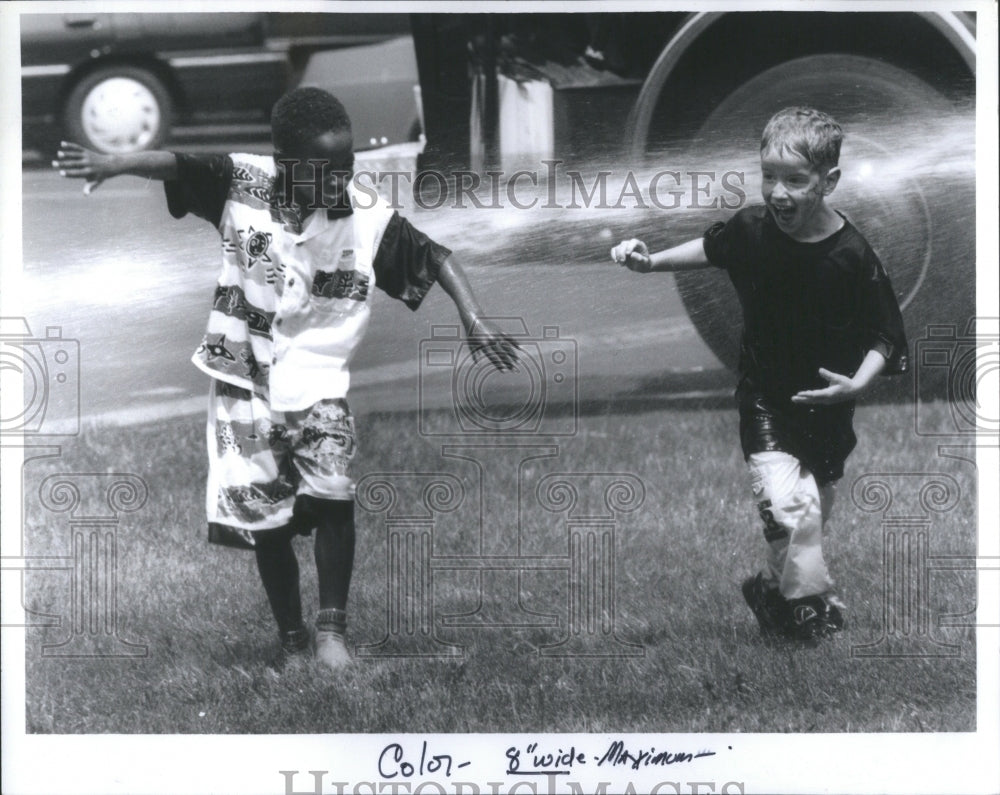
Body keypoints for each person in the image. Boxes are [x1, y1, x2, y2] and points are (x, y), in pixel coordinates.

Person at [53, 87, 519, 669]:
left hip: (319, 384)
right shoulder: (242, 182)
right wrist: (113, 162)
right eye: (325, 170)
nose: (340, 180)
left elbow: (436, 256)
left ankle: (332, 636)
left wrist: (474, 319)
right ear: (286, 163)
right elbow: (179, 163)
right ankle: (292, 641)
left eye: (347, 166)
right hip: (243, 383)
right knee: (266, 517)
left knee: (334, 496)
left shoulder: (367, 215)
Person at [610, 107, 908, 643]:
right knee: (792, 513)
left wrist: (858, 383)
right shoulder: (751, 228)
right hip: (765, 401)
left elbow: (887, 334)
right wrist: (649, 262)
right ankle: (814, 609)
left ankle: (771, 593)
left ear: (829, 182)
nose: (778, 192)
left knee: (809, 522)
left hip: (828, 408)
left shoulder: (852, 254)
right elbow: (711, 248)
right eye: (769, 176)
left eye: (795, 180)